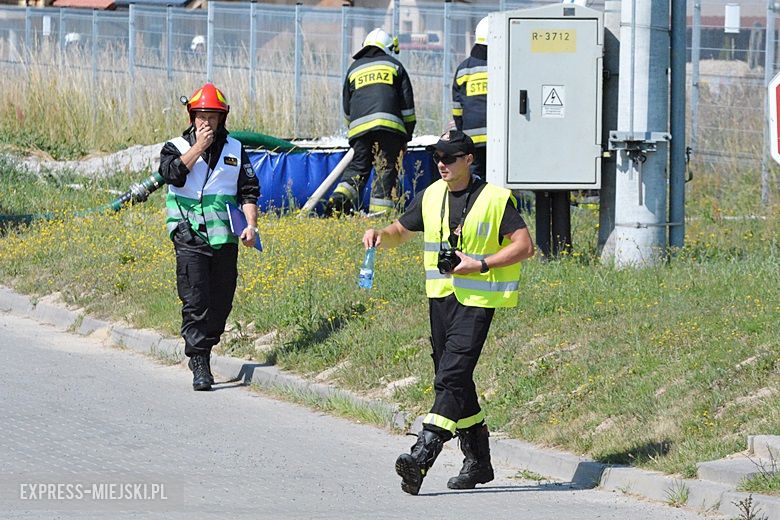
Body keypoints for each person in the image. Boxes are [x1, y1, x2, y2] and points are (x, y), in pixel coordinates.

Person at [362, 130, 534, 494]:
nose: (442, 163)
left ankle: (423, 453)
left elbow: (524, 246)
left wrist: (482, 264)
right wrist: (379, 234)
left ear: (469, 159)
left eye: (450, 157)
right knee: (454, 377)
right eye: (438, 157)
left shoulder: (493, 199)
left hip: (478, 300)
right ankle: (479, 461)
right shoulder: (431, 195)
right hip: (441, 297)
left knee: (451, 376)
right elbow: (400, 230)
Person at [158, 83, 260, 391]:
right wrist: (198, 148)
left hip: (224, 236)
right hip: (188, 233)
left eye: (212, 116)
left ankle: (208, 342)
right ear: (192, 117)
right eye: (201, 115)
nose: (206, 122)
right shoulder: (175, 146)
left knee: (221, 301)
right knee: (195, 298)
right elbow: (172, 174)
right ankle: (199, 360)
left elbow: (248, 191)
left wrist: (251, 225)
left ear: (222, 119)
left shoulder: (236, 149)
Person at [328, 28, 416, 216]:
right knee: (385, 170)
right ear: (386, 47)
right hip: (389, 130)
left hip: (359, 131)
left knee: (358, 167)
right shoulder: (395, 66)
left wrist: (354, 132)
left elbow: (347, 108)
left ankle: (339, 199)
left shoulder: (354, 69)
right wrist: (406, 136)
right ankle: (380, 217)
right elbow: (407, 109)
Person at [452, 16, 489, 179]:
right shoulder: (504, 65)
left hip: (472, 136)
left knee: (475, 179)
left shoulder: (463, 69)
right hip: (499, 136)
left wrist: (462, 133)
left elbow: (457, 108)